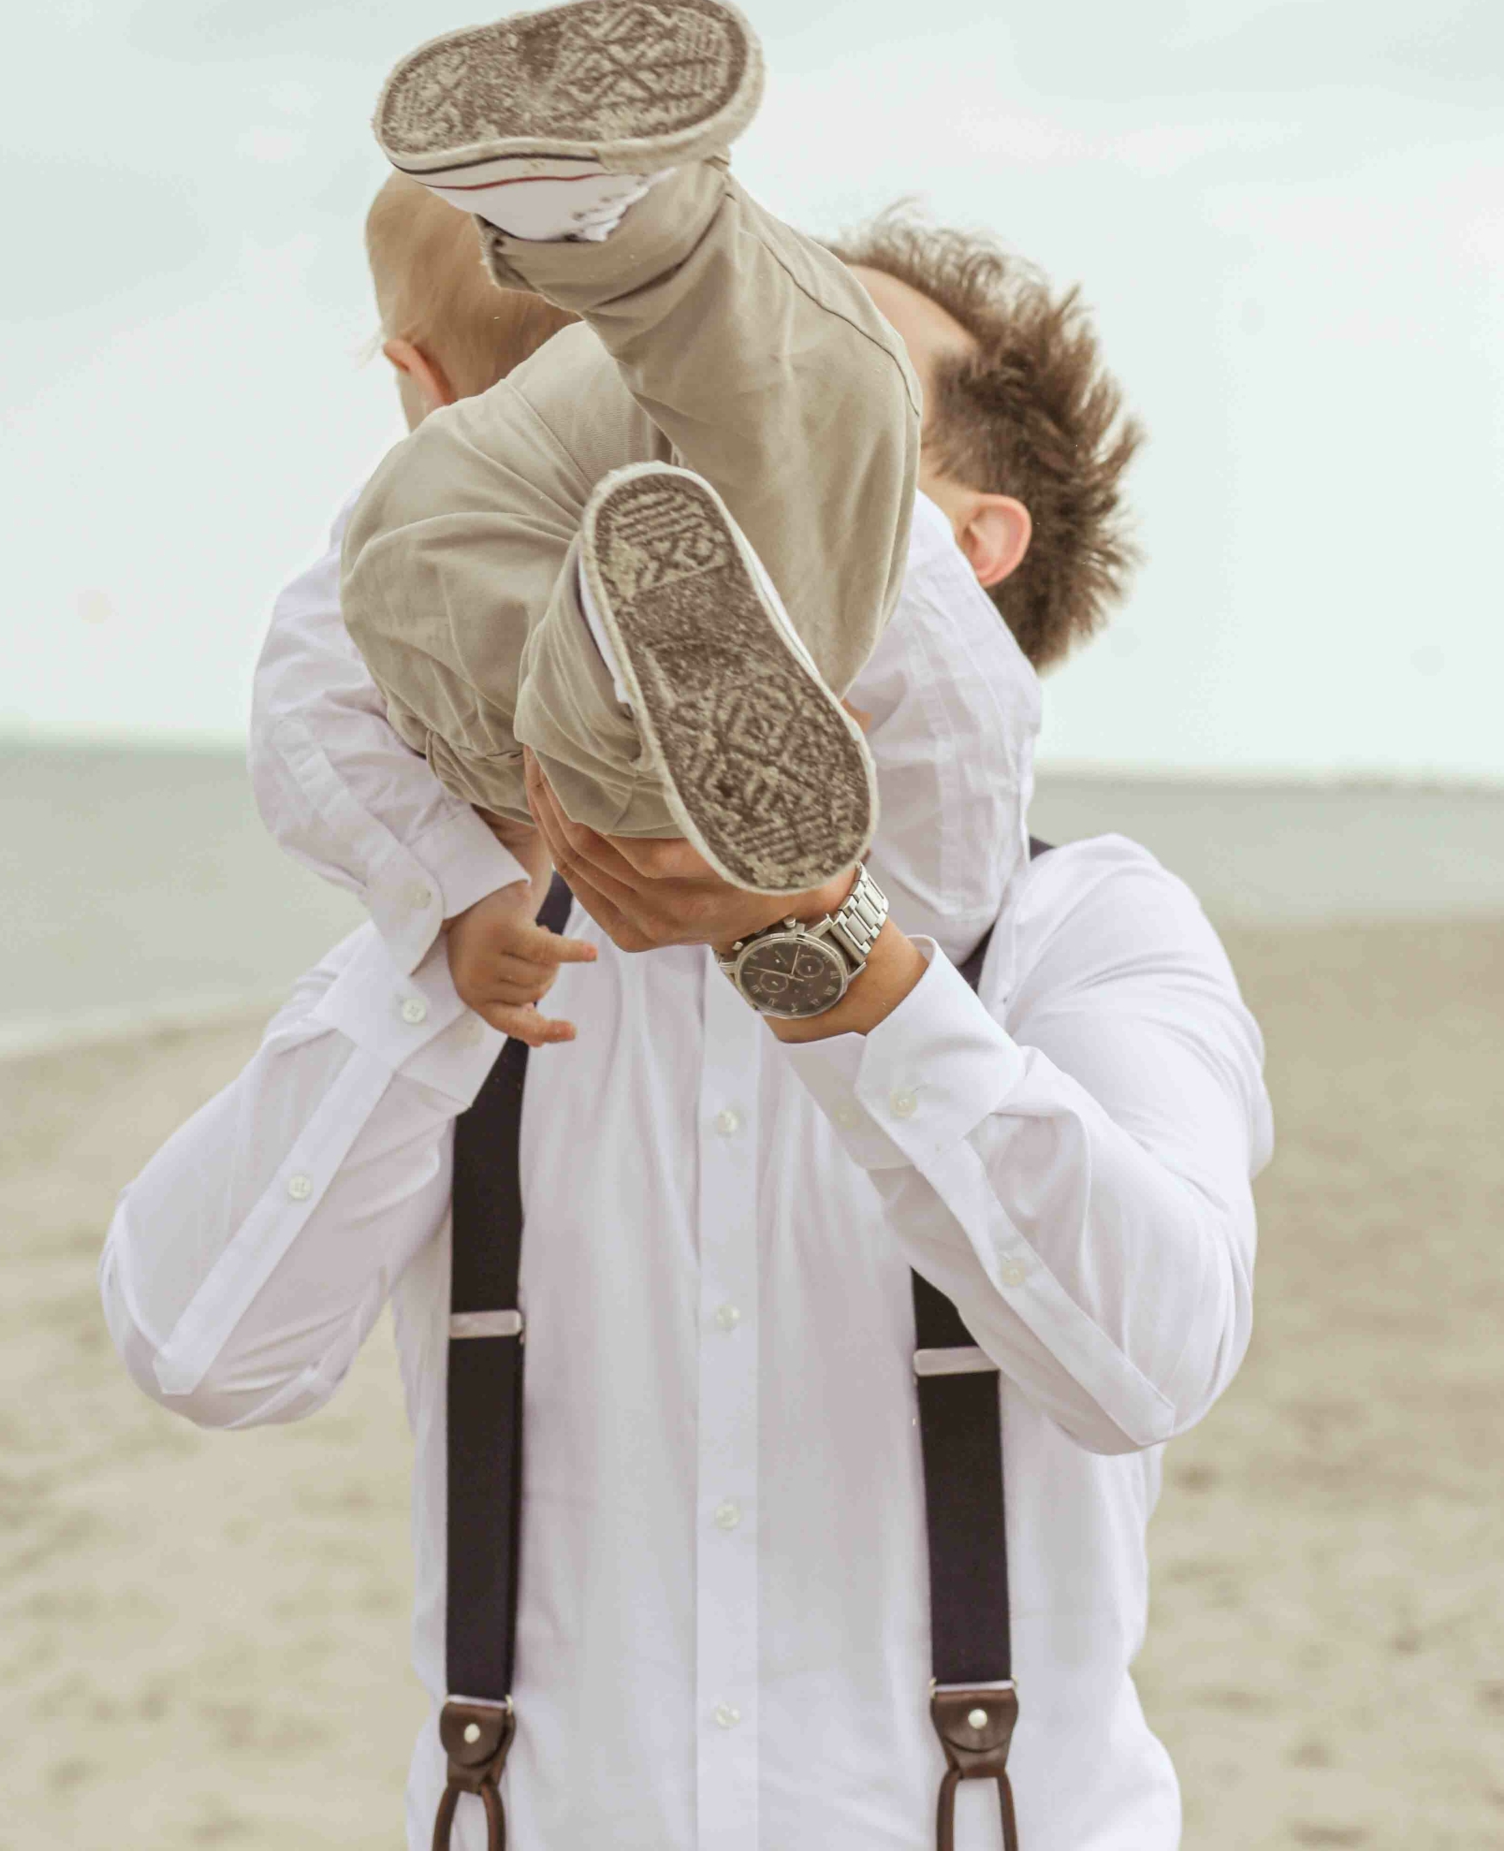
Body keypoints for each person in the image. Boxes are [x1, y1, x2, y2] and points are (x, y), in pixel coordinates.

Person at [100, 153, 1271, 1849]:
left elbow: (1146, 1356)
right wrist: (449, 914)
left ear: (973, 546)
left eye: (818, 385)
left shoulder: (1083, 937)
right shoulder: (485, 941)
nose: (711, 405)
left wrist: (842, 969)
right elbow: (202, 1347)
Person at [340, 0, 925, 898]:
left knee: (601, 748)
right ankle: (631, 227)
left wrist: (461, 892)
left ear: (416, 373)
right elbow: (978, 737)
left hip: (444, 521)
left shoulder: (423, 477)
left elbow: (312, 726)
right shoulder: (641, 386)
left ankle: (611, 659)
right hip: (610, 456)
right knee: (823, 382)